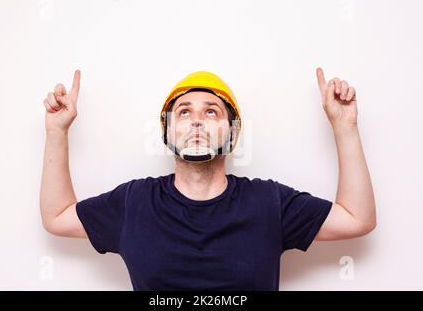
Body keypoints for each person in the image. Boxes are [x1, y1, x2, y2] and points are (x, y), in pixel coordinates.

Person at [40, 69, 376, 290]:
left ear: (232, 133)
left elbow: (356, 218)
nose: (196, 120)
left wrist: (344, 127)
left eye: (211, 111)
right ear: (167, 131)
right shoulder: (135, 203)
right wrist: (57, 131)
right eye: (184, 112)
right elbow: (57, 217)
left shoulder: (268, 203)